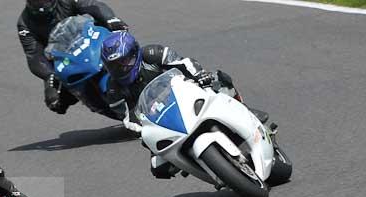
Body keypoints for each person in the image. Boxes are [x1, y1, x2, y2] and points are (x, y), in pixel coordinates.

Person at [100, 31, 269, 179]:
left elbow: (184, 63)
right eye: (114, 66)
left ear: (135, 53)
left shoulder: (152, 53)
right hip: (161, 120)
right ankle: (210, 170)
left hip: (186, 93)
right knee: (159, 168)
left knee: (221, 81)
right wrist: (139, 128)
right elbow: (127, 117)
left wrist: (200, 75)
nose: (120, 69)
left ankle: (245, 110)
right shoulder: (113, 89)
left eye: (124, 62)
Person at [18, 0, 128, 115]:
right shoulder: (24, 24)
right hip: (64, 58)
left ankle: (142, 68)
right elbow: (33, 55)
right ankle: (99, 105)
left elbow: (92, 5)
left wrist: (110, 19)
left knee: (122, 43)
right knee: (55, 101)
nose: (42, 3)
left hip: (92, 40)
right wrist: (48, 75)